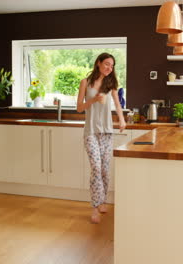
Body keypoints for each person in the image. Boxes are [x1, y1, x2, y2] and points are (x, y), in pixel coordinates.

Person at [76, 53, 126, 223]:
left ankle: (103, 200)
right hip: (90, 131)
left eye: (111, 66)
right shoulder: (85, 83)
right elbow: (79, 108)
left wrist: (121, 119)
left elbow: (118, 104)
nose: (109, 68)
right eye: (106, 64)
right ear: (98, 63)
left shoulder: (110, 84)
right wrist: (94, 100)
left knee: (105, 169)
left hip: (106, 131)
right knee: (96, 168)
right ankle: (95, 207)